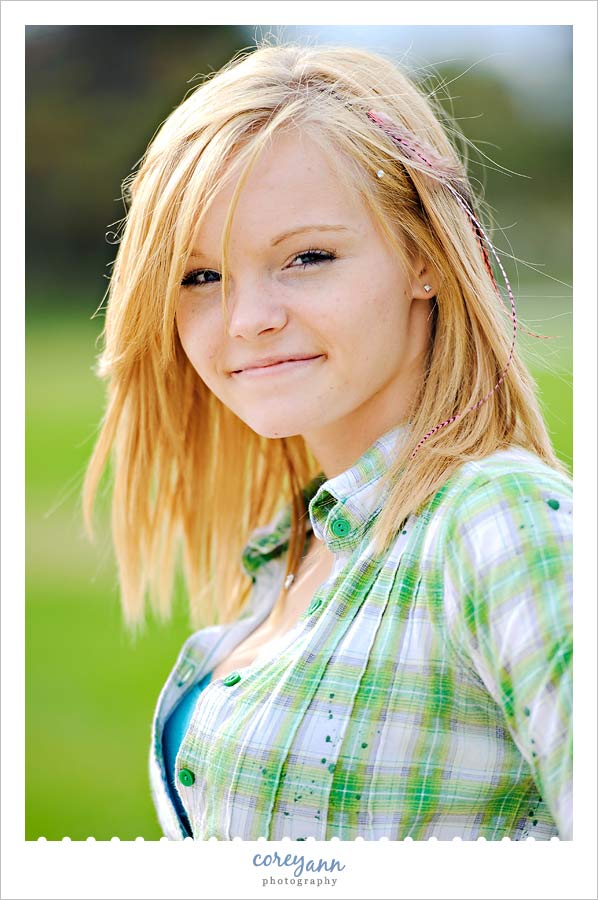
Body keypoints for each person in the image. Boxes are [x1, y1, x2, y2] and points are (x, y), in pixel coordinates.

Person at [83, 41, 572, 841]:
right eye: (200, 276)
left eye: (308, 257)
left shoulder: (499, 522)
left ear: (427, 259)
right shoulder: (295, 553)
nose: (248, 320)